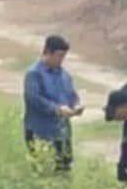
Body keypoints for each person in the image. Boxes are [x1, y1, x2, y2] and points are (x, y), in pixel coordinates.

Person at [22, 34, 82, 170]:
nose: (61, 60)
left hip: (62, 132)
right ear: (48, 52)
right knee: (43, 170)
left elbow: (71, 94)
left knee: (64, 169)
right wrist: (57, 109)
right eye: (59, 56)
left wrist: (76, 105)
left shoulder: (64, 75)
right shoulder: (34, 74)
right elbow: (34, 99)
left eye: (63, 56)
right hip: (40, 130)